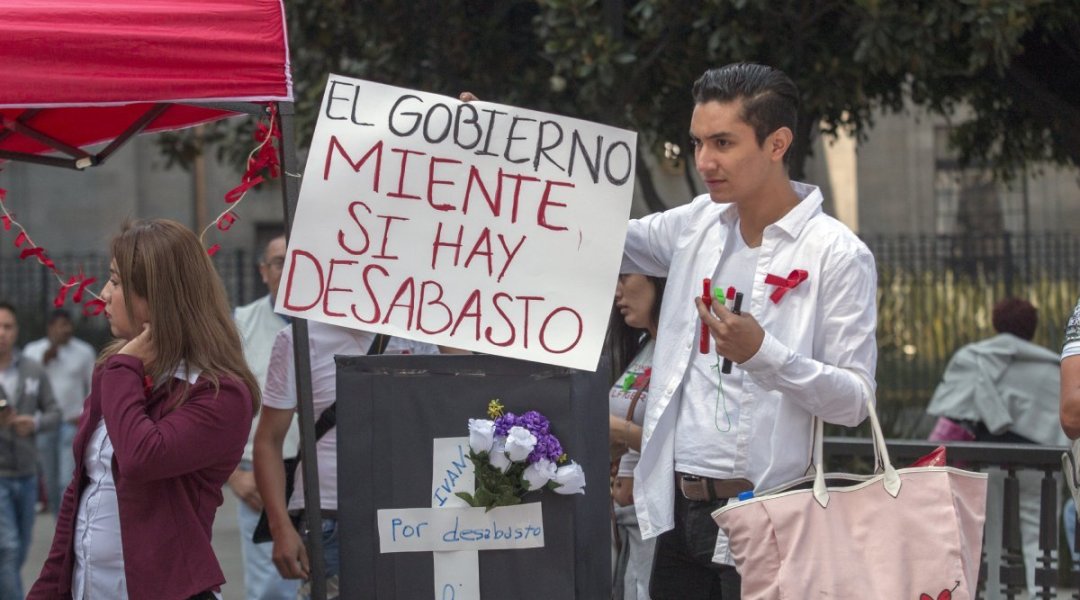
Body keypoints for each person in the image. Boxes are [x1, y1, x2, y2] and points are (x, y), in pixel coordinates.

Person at [620, 63, 878, 599]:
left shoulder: (837, 254)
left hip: (772, 517)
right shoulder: (696, 224)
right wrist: (490, 147)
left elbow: (856, 401)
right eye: (696, 143)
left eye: (723, 142)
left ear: (777, 142)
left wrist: (765, 355)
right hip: (676, 514)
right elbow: (595, 234)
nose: (704, 161)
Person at [29, 219, 259, 600]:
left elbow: (141, 457)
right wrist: (48, 588)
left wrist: (122, 370)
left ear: (156, 296)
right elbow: (81, 493)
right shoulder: (116, 371)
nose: (103, 294)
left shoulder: (220, 393)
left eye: (116, 282)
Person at [253, 321, 445, 599]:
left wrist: (444, 334)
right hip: (330, 515)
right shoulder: (299, 339)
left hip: (411, 511)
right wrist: (280, 526)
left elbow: (459, 400)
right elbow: (268, 441)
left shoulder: (422, 332)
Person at [926, 297, 1064, 598]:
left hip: (987, 460)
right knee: (1041, 538)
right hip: (1042, 465)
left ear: (995, 323)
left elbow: (952, 408)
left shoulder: (974, 357)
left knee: (990, 536)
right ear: (1033, 327)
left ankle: (993, 595)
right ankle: (1043, 595)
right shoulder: (1054, 367)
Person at [229, 234, 300, 600]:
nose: (288, 269)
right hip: (263, 477)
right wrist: (232, 475)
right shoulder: (240, 324)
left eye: (296, 258)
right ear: (262, 271)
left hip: (325, 475)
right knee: (272, 589)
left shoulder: (327, 325)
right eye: (278, 261)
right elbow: (213, 405)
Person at [608, 274, 665, 600]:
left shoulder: (682, 353)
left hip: (658, 521)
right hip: (629, 520)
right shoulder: (643, 346)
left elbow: (685, 443)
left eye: (627, 277)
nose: (618, 291)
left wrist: (619, 432)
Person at [0, 301, 60, 599]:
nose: (1, 333)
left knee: (20, 547)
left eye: (7, 326)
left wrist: (33, 423)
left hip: (25, 474)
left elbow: (54, 412)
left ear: (16, 330)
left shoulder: (32, 369)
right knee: (7, 547)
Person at [24, 309, 96, 514]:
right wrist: (44, 360)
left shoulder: (83, 351)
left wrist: (84, 414)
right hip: (44, 422)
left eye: (68, 324)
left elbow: (92, 387)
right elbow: (28, 385)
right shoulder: (33, 351)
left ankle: (66, 524)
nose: (66, 329)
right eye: (61, 325)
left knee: (66, 479)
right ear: (50, 327)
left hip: (70, 423)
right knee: (50, 479)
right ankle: (59, 524)